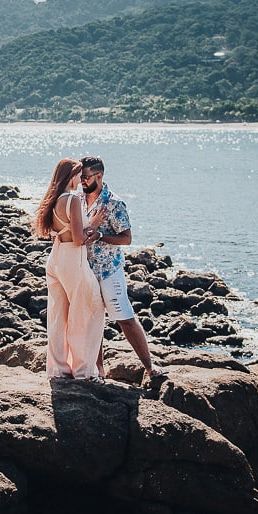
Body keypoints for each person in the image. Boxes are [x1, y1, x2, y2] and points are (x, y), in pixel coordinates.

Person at [79, 156, 164, 381]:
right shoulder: (78, 199)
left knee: (124, 317)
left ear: (99, 176)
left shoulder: (114, 204)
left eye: (86, 177)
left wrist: (101, 236)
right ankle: (98, 372)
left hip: (109, 270)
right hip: (85, 270)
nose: (82, 182)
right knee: (92, 320)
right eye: (80, 177)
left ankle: (149, 366)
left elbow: (126, 239)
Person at [33, 158, 105, 380]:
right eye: (78, 174)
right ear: (70, 176)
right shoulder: (72, 199)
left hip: (56, 258)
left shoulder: (53, 200)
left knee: (58, 315)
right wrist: (94, 224)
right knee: (89, 311)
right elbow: (78, 239)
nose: (81, 179)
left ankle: (59, 369)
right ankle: (84, 371)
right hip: (74, 260)